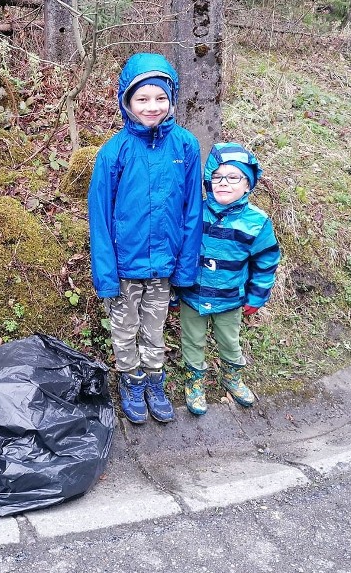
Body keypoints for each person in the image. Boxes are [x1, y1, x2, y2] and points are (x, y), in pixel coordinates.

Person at [88, 53, 203, 424]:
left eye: (160, 98)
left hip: (163, 266)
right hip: (124, 267)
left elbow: (191, 211)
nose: (152, 107)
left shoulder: (185, 146)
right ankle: (131, 380)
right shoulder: (114, 151)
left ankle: (154, 379)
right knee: (125, 329)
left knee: (154, 329)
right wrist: (105, 275)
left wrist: (185, 269)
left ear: (172, 98)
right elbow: (100, 218)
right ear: (127, 101)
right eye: (142, 99)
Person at [177, 142, 281, 415]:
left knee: (229, 341)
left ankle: (231, 377)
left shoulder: (257, 222)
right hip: (193, 295)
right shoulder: (193, 213)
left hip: (229, 299)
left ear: (248, 184)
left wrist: (257, 296)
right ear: (208, 182)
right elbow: (179, 254)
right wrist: (175, 292)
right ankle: (194, 382)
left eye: (233, 177)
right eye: (217, 177)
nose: (224, 183)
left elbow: (266, 261)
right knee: (192, 341)